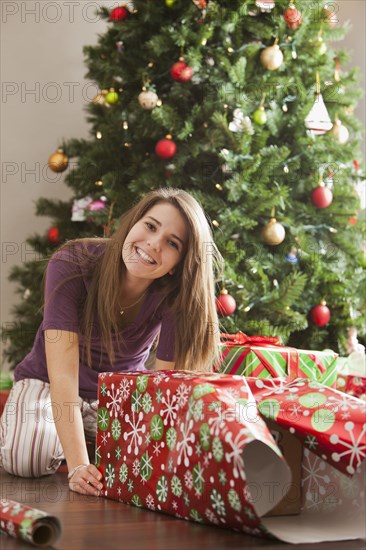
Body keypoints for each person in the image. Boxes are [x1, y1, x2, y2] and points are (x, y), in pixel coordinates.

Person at [0, 188, 223, 496]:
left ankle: (81, 438)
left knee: (150, 461)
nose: (153, 244)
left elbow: (163, 384)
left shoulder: (175, 295)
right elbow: (63, 374)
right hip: (49, 383)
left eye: (172, 243)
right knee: (27, 459)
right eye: (150, 226)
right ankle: (64, 439)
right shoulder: (73, 261)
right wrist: (78, 465)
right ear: (133, 223)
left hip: (116, 393)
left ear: (178, 263)